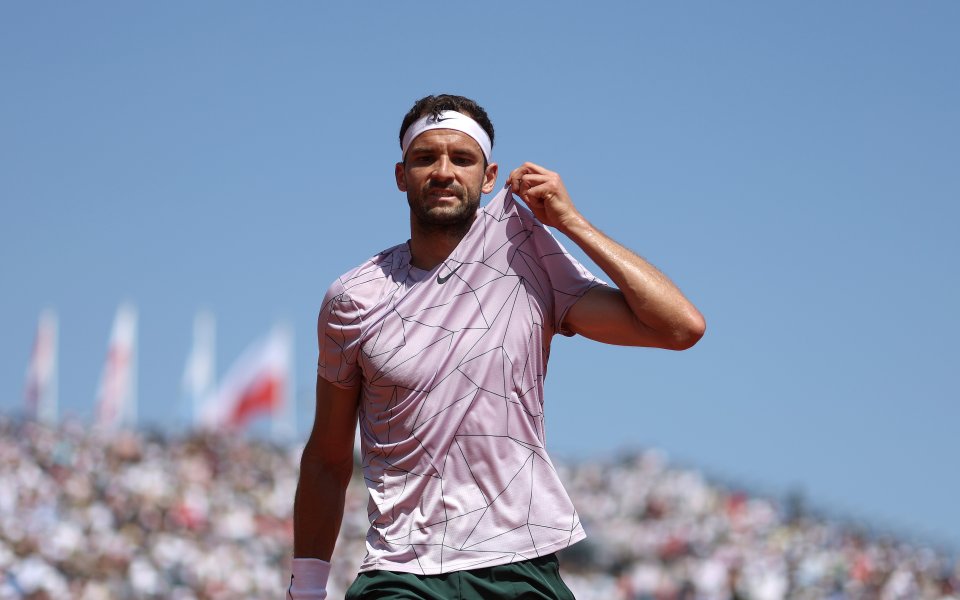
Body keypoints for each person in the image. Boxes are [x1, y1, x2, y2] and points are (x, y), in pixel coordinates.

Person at [289, 94, 705, 599]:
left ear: (489, 178)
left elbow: (680, 327)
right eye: (426, 158)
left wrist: (571, 223)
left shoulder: (526, 251)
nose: (443, 172)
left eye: (461, 158)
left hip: (519, 565)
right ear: (401, 176)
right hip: (401, 572)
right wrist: (304, 590)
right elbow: (328, 457)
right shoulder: (353, 298)